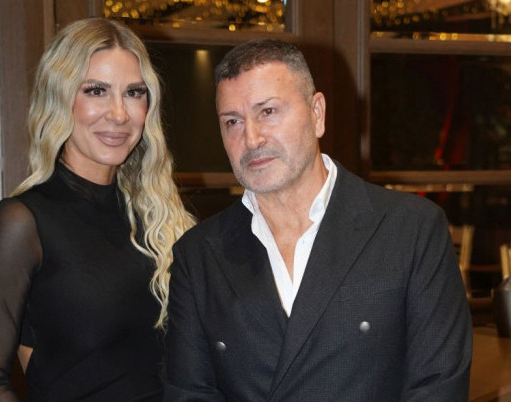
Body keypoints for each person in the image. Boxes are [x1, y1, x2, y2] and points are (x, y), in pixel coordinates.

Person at [162, 39, 472, 401]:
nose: (251, 138)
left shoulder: (411, 230)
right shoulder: (197, 255)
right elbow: (189, 394)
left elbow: (438, 387)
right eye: (233, 121)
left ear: (317, 113)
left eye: (268, 111)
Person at [0, 18, 194, 402]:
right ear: (60, 98)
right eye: (96, 91)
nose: (119, 114)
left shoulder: (158, 218)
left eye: (133, 92)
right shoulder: (23, 223)